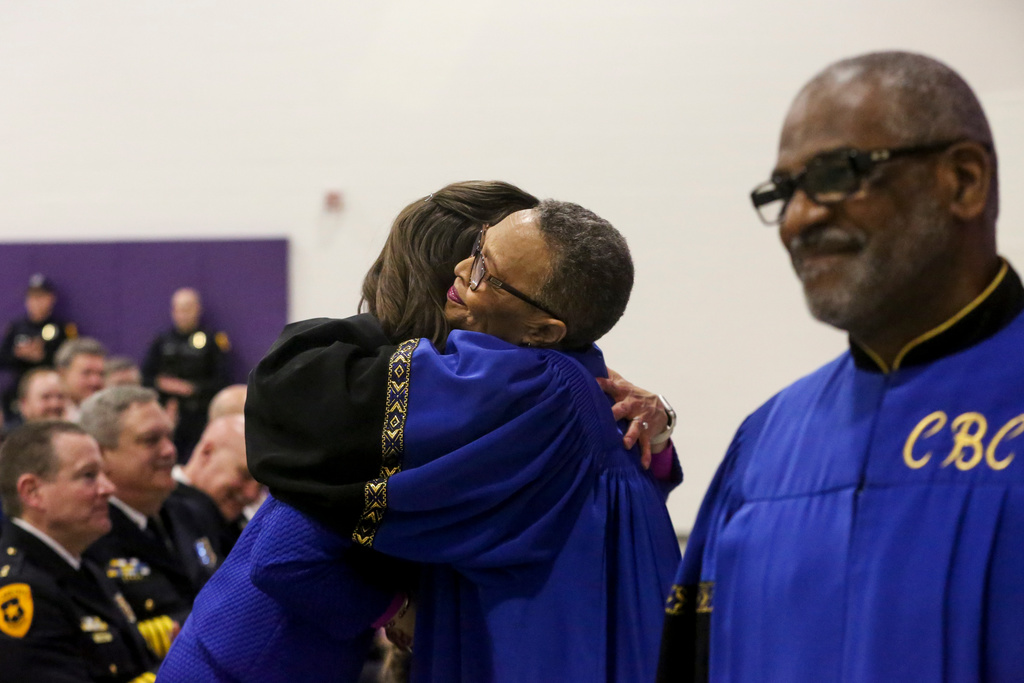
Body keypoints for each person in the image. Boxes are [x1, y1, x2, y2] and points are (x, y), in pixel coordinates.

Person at [158, 182, 679, 683]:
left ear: (543, 328)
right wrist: (399, 607)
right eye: (477, 251)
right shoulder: (549, 383)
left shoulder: (527, 387)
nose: (464, 272)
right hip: (250, 660)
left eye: (484, 270)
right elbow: (285, 549)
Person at [657, 51, 1021, 682]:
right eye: (783, 192)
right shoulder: (765, 447)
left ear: (963, 180)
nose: (798, 218)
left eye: (837, 174)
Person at [0, 420, 157, 682]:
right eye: (88, 476)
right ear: (32, 492)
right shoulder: (21, 588)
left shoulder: (82, 566)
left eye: (104, 474)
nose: (108, 488)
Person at [80, 386, 221, 662]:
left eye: (169, 436)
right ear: (101, 455)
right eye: (150, 440)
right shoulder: (89, 534)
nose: (169, 450)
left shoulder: (193, 511)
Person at [141, 289, 230, 461]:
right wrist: (164, 385)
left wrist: (191, 389)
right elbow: (146, 377)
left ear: (198, 309)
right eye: (179, 309)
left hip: (200, 413)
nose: (183, 314)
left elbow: (222, 380)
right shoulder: (162, 341)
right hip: (167, 413)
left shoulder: (212, 341)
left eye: (188, 308)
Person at [171, 414, 260, 554]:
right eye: (245, 475)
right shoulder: (158, 509)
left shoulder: (247, 527)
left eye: (261, 485)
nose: (252, 494)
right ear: (207, 452)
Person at [0, 275, 77, 417]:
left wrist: (43, 357)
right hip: (19, 387)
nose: (36, 302)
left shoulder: (62, 328)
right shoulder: (16, 327)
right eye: (32, 297)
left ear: (51, 298)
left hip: (52, 388)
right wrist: (20, 355)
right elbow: (3, 358)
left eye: (41, 297)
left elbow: (70, 361)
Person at [56, 338, 107, 423]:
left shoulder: (111, 418)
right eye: (87, 373)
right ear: (63, 374)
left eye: (101, 374)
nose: (95, 381)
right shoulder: (49, 413)